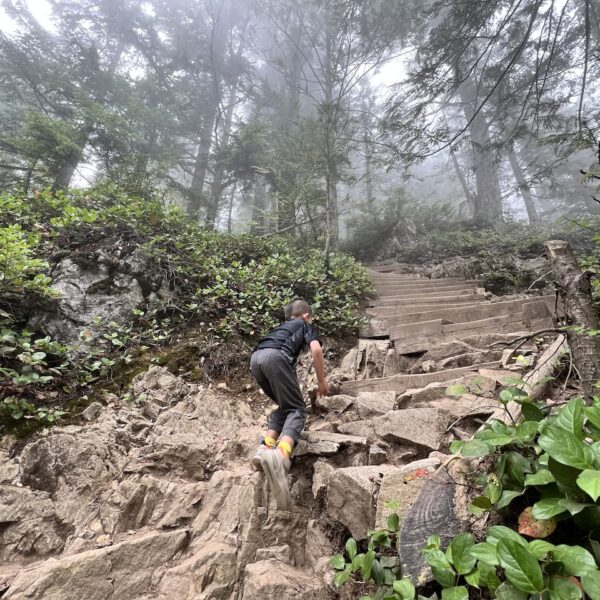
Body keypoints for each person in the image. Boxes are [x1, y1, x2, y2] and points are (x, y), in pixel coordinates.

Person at [250, 299, 329, 509]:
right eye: (309, 317)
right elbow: (316, 350)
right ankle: (282, 455)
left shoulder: (281, 328)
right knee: (297, 409)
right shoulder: (305, 325)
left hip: (256, 360)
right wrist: (321, 382)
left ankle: (265, 448)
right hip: (275, 358)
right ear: (305, 315)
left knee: (285, 407)